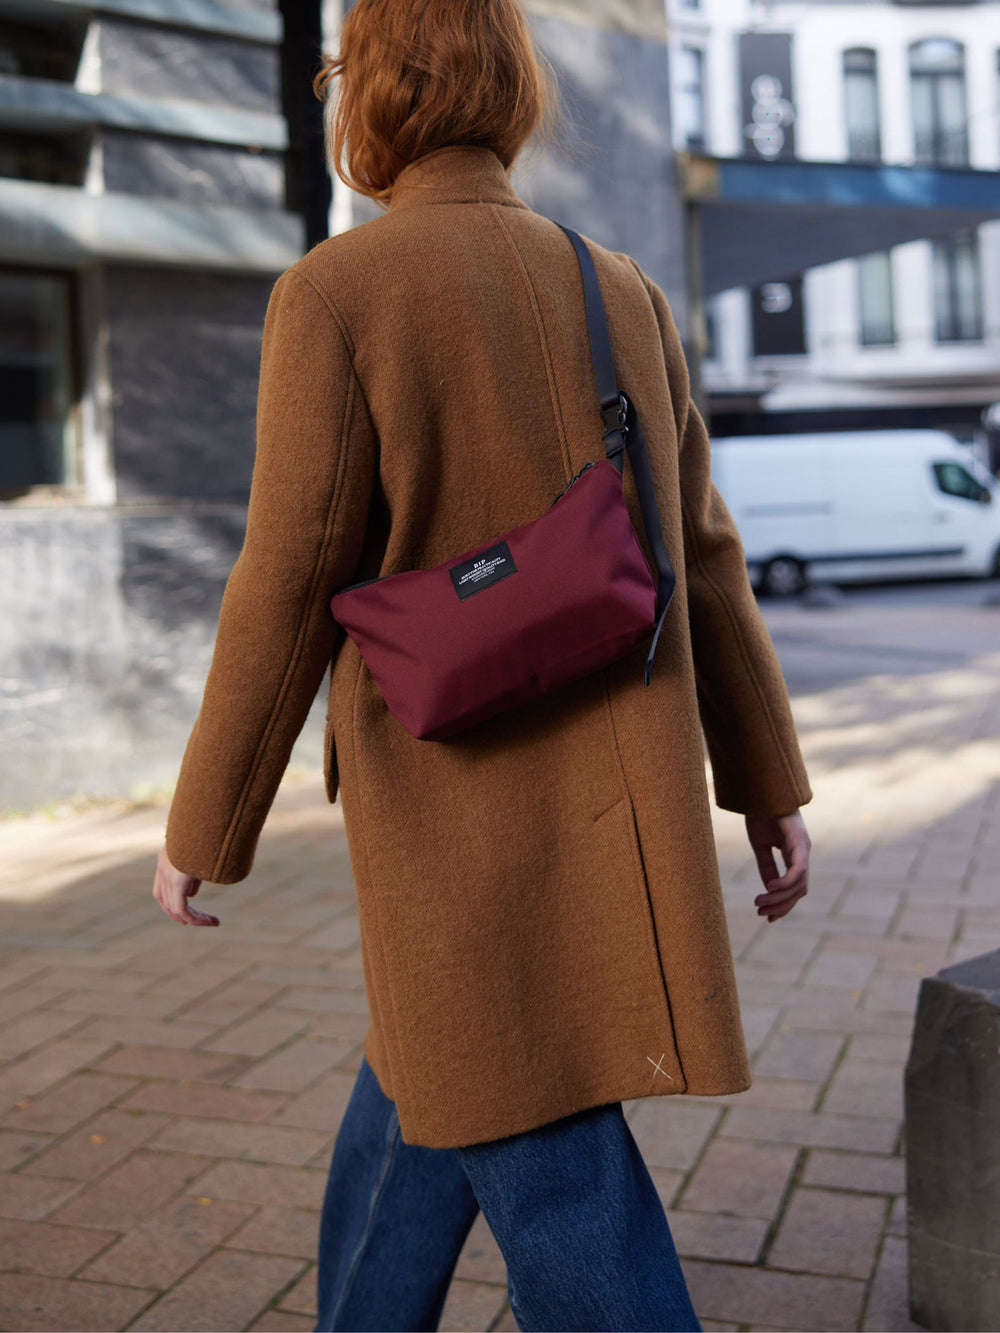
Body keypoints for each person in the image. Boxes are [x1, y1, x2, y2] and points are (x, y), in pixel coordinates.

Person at [151, 1, 814, 1329]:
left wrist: (202, 826)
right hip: (613, 801)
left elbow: (282, 585)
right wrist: (765, 783)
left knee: (540, 1137)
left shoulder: (334, 295)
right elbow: (705, 559)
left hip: (454, 821)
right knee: (422, 1078)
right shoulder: (620, 285)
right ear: (513, 90)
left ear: (366, 97)